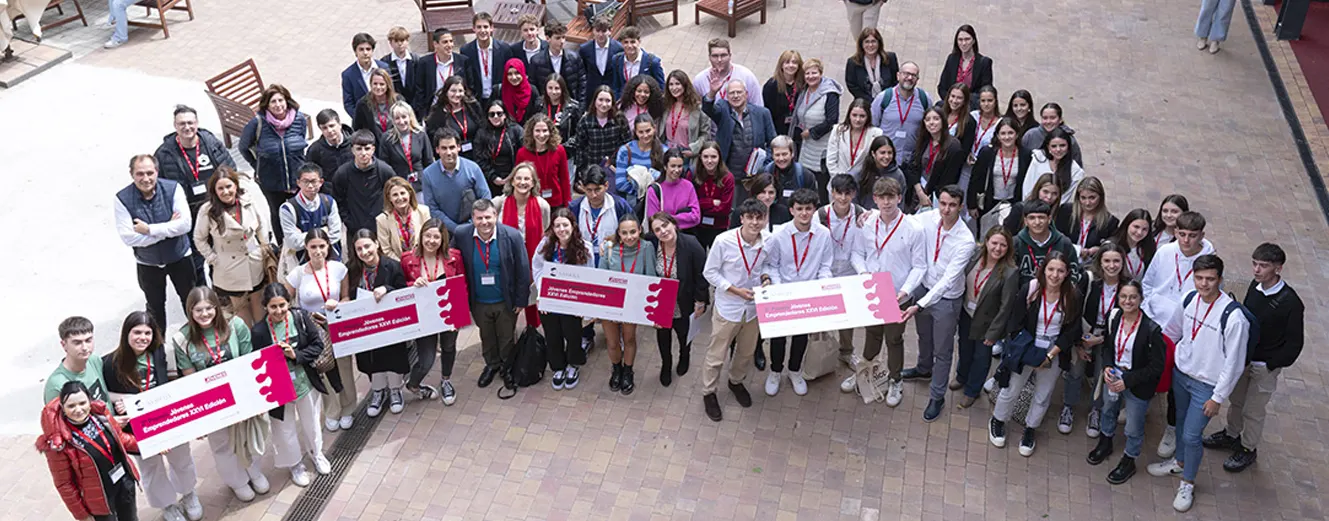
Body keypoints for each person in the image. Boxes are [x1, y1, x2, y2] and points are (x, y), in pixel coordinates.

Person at [1147, 254, 1248, 513]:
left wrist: (1218, 397)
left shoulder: (1234, 317)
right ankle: (1179, 462)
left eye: (1210, 279)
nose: (1204, 284)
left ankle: (1188, 483)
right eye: (1199, 278)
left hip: (1206, 385)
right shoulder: (1189, 299)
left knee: (1192, 435)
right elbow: (1172, 331)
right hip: (1182, 376)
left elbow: (1234, 364)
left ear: (1220, 280)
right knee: (1180, 423)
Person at [1202, 243, 1305, 472]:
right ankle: (1231, 434)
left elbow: (1294, 343)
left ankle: (1248, 448)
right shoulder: (1255, 286)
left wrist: (1271, 364)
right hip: (1245, 359)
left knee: (1254, 410)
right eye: (1255, 263)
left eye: (1263, 266)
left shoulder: (1291, 303)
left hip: (1263, 366)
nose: (1257, 270)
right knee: (1237, 401)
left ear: (1278, 268)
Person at [100, 312, 201, 521]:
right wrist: (123, 400)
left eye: (147, 333)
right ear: (126, 333)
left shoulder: (160, 352)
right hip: (138, 428)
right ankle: (167, 505)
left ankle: (189, 494)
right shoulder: (110, 363)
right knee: (151, 468)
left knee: (182, 459)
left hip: (168, 419)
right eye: (137, 332)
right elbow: (104, 394)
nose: (142, 337)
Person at [171, 286, 269, 501]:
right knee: (222, 444)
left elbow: (248, 360)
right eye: (198, 310)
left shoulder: (235, 325)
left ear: (216, 307)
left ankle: (254, 471)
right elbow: (189, 378)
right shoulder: (181, 339)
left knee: (247, 434)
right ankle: (237, 482)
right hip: (211, 401)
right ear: (190, 311)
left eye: (209, 308)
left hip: (240, 392)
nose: (204, 314)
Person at [988, 251, 1083, 457]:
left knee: (1043, 394)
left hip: (1053, 350)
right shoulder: (1030, 289)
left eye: (1060, 270)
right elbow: (1015, 322)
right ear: (1044, 269)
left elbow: (1072, 331)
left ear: (1067, 273)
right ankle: (998, 419)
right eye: (1051, 269)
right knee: (1012, 388)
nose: (1055, 275)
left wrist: (1049, 356)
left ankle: (1030, 429)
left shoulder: (1072, 296)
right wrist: (1031, 353)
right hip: (1026, 346)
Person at [841, 177, 927, 404]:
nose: (886, 203)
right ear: (875, 199)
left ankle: (895, 380)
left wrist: (906, 291)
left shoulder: (914, 229)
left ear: (899, 198)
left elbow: (920, 266)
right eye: (882, 198)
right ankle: (863, 373)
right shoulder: (866, 224)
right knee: (872, 334)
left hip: (898, 294)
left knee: (894, 339)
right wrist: (863, 274)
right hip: (873, 291)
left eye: (891, 197)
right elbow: (857, 254)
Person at [899, 186, 975, 421]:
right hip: (924, 286)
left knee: (943, 351)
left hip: (946, 298)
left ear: (960, 206)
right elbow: (902, 220)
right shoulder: (928, 218)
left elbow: (948, 280)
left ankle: (937, 395)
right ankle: (923, 369)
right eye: (942, 203)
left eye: (952, 205)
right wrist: (868, 215)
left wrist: (919, 304)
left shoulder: (966, 240)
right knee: (924, 336)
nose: (946, 210)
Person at [249, 284, 332, 487]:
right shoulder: (259, 331)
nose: (279, 311)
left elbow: (317, 345)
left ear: (289, 303)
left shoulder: (301, 318)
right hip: (278, 389)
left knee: (311, 422)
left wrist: (296, 355)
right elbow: (256, 363)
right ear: (265, 307)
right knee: (283, 429)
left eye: (282, 305)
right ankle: (294, 464)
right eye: (273, 307)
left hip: (305, 382)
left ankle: (316, 453)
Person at [1086, 279, 1165, 484]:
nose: (1127, 301)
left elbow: (1156, 367)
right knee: (1108, 410)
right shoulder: (1114, 317)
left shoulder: (1151, 329)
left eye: (1133, 297)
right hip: (1114, 375)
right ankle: (1106, 442)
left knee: (1133, 426)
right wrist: (1106, 366)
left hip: (1136, 383)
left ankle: (1129, 459)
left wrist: (1128, 381)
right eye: (1123, 296)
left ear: (1141, 298)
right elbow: (1107, 347)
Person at [700, 198, 770, 421]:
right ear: (741, 219)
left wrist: (767, 278)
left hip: (753, 310)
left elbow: (768, 265)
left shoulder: (769, 241)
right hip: (728, 308)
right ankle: (709, 392)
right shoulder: (723, 241)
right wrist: (734, 290)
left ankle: (736, 382)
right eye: (750, 217)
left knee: (746, 352)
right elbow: (709, 273)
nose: (754, 223)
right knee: (716, 355)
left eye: (759, 218)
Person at [760, 189, 833, 396]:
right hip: (783, 290)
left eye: (808, 209)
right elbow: (772, 265)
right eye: (799, 209)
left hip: (808, 293)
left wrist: (822, 287)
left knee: (801, 337)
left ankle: (794, 370)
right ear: (791, 210)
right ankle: (775, 371)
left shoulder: (824, 235)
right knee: (778, 337)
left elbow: (825, 266)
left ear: (814, 210)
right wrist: (780, 288)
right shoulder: (779, 234)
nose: (804, 213)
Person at [154, 105, 238, 283]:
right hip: (189, 214)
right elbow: (159, 188)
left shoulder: (211, 143)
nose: (187, 127)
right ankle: (203, 297)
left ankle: (221, 292)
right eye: (182, 123)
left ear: (197, 123)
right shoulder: (165, 153)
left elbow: (231, 171)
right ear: (175, 126)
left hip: (216, 209)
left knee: (221, 254)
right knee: (196, 261)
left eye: (190, 123)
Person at [455, 199, 532, 390]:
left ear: (495, 216)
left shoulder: (512, 236)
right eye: (479, 218)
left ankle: (507, 367)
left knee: (506, 337)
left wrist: (521, 300)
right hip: (479, 300)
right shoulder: (462, 235)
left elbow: (523, 270)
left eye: (488, 217)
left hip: (505, 300)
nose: (484, 222)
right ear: (472, 219)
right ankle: (492, 365)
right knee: (487, 336)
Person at [282, 230, 355, 431]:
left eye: (322, 246)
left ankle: (348, 408)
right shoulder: (297, 274)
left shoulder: (339, 269)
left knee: (345, 368)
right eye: (313, 247)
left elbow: (347, 297)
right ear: (306, 248)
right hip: (314, 331)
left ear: (328, 247)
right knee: (324, 368)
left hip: (337, 326)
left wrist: (339, 303)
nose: (318, 251)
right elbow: (284, 301)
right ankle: (332, 410)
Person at [114, 155, 196, 331]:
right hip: (148, 263)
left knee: (191, 302)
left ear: (157, 172)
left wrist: (150, 230)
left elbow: (185, 225)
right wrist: (168, 229)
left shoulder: (173, 189)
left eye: (150, 173)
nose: (146, 179)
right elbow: (129, 237)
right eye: (140, 174)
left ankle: (200, 342)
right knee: (154, 309)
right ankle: (157, 353)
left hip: (179, 256)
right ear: (132, 174)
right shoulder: (122, 198)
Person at [38, 381, 140, 521]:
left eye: (82, 403)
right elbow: (64, 483)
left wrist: (151, 445)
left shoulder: (101, 416)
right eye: (71, 406)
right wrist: (82, 515)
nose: (78, 409)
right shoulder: (59, 442)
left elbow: (122, 439)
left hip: (124, 484)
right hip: (98, 500)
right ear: (62, 407)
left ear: (90, 401)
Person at [1062, 242, 1129, 437]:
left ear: (1123, 262)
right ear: (1099, 261)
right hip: (1083, 333)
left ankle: (1095, 410)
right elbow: (1074, 310)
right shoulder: (1089, 279)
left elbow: (1127, 320)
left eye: (1116, 261)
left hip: (1109, 339)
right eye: (1106, 260)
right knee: (1075, 371)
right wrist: (1079, 341)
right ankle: (1068, 407)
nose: (1111, 265)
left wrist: (1099, 341)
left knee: (1102, 374)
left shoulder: (1127, 287)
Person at [193, 167, 274, 326]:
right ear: (214, 191)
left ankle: (264, 345)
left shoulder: (247, 201)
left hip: (254, 262)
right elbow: (199, 238)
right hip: (228, 268)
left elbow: (261, 224)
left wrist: (264, 247)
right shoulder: (207, 210)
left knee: (260, 309)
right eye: (220, 188)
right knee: (241, 314)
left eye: (229, 186)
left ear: (235, 186)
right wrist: (213, 259)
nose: (225, 192)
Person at [343, 230, 411, 417]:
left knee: (392, 355)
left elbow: (403, 291)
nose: (364, 252)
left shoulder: (392, 266)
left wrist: (387, 288)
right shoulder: (352, 269)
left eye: (367, 246)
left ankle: (395, 390)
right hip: (365, 325)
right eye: (359, 249)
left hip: (389, 323)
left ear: (377, 244)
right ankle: (378, 391)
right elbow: (347, 294)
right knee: (370, 358)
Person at [400, 219, 464, 403]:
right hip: (424, 317)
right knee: (426, 358)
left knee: (449, 347)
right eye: (427, 236)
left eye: (436, 237)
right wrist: (412, 284)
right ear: (421, 237)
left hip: (449, 314)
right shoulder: (407, 260)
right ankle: (413, 383)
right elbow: (398, 288)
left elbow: (462, 284)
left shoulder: (454, 257)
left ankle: (446, 381)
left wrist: (458, 317)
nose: (431, 240)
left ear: (443, 239)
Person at [954, 226, 1017, 408]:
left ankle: (973, 389)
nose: (997, 248)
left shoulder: (1010, 272)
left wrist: (993, 333)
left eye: (1003, 245)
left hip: (988, 323)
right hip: (967, 314)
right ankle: (961, 376)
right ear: (987, 241)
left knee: (981, 358)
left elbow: (1006, 307)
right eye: (994, 243)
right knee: (964, 348)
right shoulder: (974, 257)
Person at [532, 209, 594, 390]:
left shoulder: (585, 248)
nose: (561, 229)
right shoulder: (545, 245)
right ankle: (558, 367)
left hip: (573, 302)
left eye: (565, 225)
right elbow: (536, 268)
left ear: (573, 226)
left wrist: (584, 303)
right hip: (550, 300)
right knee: (553, 335)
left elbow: (590, 275)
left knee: (573, 334)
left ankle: (573, 365)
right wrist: (542, 294)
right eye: (557, 225)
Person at [239, 84, 308, 243]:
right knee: (278, 214)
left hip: (296, 178)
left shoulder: (299, 119)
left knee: (299, 212)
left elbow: (300, 143)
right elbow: (243, 147)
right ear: (267, 105)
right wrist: (257, 165)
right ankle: (284, 248)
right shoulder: (257, 124)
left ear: (287, 101)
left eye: (280, 100)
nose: (278, 105)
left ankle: (302, 245)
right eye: (273, 102)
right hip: (271, 180)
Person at [597, 214, 657, 395]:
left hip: (633, 303)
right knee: (613, 341)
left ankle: (628, 371)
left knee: (629, 338)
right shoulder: (608, 248)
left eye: (633, 232)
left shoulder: (646, 248)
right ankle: (616, 369)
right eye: (624, 233)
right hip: (611, 303)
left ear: (640, 230)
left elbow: (651, 278)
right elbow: (601, 277)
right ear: (619, 234)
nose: (629, 236)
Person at [648, 213, 708, 386]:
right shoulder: (651, 244)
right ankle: (666, 365)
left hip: (684, 300)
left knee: (683, 335)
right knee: (663, 336)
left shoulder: (691, 244)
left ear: (674, 224)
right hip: (661, 301)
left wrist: (700, 301)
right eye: (657, 229)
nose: (663, 231)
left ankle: (684, 356)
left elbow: (701, 276)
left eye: (665, 225)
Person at [815, 174, 867, 361]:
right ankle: (819, 353)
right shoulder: (820, 215)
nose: (843, 198)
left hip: (849, 270)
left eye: (847, 193)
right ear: (832, 193)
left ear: (853, 194)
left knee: (848, 316)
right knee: (822, 315)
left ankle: (846, 351)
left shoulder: (861, 214)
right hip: (824, 272)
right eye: (839, 193)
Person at [494, 163, 552, 327]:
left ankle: (533, 337)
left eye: (527, 178)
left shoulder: (542, 205)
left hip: (533, 258)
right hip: (507, 259)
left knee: (532, 299)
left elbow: (545, 230)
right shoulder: (500, 203)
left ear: (533, 183)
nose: (522, 182)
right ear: (511, 181)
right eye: (518, 178)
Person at [1141, 211, 1215, 328]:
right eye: (1182, 234)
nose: (1186, 240)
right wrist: (1147, 307)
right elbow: (1147, 283)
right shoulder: (1164, 251)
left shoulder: (1210, 262)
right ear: (1175, 233)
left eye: (1192, 235)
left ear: (1201, 235)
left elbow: (1211, 295)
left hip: (1184, 324)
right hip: (1152, 317)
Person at [420, 128, 492, 234]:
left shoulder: (473, 168)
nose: (449, 152)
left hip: (475, 228)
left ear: (458, 147)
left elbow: (485, 197)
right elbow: (432, 209)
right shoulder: (428, 174)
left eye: (452, 147)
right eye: (444, 148)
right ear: (437, 150)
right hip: (444, 232)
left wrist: (472, 224)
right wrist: (456, 229)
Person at [704, 80, 778, 178]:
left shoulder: (762, 113)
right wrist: (712, 93)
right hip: (728, 175)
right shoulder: (723, 110)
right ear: (727, 96)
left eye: (739, 92)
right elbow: (707, 109)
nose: (735, 96)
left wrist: (763, 163)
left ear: (746, 94)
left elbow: (773, 143)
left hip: (755, 175)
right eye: (732, 93)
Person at [792, 58, 842, 203]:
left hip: (822, 147)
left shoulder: (830, 94)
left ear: (821, 73)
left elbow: (832, 120)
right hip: (806, 146)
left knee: (821, 186)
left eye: (814, 73)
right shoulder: (804, 91)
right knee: (806, 182)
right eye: (807, 73)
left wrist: (812, 132)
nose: (810, 76)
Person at [331, 130, 396, 238]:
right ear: (352, 150)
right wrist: (349, 221)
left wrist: (387, 217)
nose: (363, 153)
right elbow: (338, 200)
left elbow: (394, 195)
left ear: (373, 149)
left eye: (367, 148)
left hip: (382, 228)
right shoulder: (342, 173)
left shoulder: (385, 170)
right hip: (355, 230)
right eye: (359, 149)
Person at [870, 62, 930, 167]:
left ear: (917, 79)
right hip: (885, 159)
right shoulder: (884, 97)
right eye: (906, 74)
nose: (909, 77)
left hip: (911, 160)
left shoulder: (924, 99)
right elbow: (872, 127)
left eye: (914, 75)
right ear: (898, 76)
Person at [279, 165, 344, 263]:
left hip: (330, 259)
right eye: (305, 182)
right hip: (302, 262)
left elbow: (336, 234)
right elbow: (293, 242)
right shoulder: (288, 208)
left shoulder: (329, 202)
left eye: (313, 181)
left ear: (321, 182)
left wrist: (304, 236)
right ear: (298, 183)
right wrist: (324, 231)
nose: (310, 186)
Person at [969, 118, 1031, 217]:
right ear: (997, 136)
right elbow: (975, 179)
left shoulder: (1025, 154)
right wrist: (972, 205)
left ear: (1017, 134)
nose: (1007, 137)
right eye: (1003, 133)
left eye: (1010, 133)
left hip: (1014, 204)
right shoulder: (987, 153)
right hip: (989, 202)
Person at [1010, 198, 1080, 286]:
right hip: (1023, 294)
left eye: (1041, 217)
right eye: (1032, 218)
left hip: (1056, 293)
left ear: (1049, 219)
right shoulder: (1016, 243)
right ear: (1025, 221)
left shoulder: (1064, 243)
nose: (1037, 222)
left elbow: (1074, 272)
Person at [905, 107, 964, 210]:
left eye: (936, 119)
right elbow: (912, 167)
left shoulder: (954, 146)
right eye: (928, 120)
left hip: (937, 198)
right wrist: (920, 192)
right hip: (917, 192)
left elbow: (949, 178)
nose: (931, 123)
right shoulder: (923, 140)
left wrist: (927, 196)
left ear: (943, 121)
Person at [410, 28, 475, 119]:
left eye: (451, 41)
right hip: (434, 110)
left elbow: (470, 87)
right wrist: (423, 114)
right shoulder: (424, 63)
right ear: (435, 44)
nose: (449, 45)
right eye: (445, 42)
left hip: (458, 109)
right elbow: (420, 90)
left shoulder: (463, 61)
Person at [45, 317, 109, 404]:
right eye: (77, 343)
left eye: (88, 340)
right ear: (64, 345)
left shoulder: (94, 360)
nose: (85, 348)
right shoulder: (56, 384)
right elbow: (55, 416)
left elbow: (104, 396)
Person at [569, 86, 632, 173]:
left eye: (608, 101)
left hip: (614, 168)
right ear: (595, 101)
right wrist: (582, 170)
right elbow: (580, 147)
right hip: (591, 169)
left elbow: (627, 143)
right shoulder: (585, 121)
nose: (604, 104)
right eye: (600, 100)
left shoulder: (619, 119)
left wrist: (617, 163)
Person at [1057, 176, 1119, 263]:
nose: (1087, 203)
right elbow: (1057, 237)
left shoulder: (1110, 221)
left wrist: (1099, 249)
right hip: (1064, 259)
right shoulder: (1066, 211)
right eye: (1083, 198)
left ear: (1101, 197)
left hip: (1091, 264)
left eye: (1092, 198)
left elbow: (1112, 245)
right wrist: (1078, 250)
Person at [516, 114, 573, 208]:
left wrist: (567, 205)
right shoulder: (522, 153)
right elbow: (519, 181)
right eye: (537, 131)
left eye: (545, 131)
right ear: (531, 132)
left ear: (550, 132)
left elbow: (564, 179)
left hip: (556, 202)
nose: (541, 135)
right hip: (532, 204)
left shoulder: (559, 150)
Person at [460, 12, 516, 105]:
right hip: (477, 99)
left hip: (499, 98)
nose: (482, 31)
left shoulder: (504, 49)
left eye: (485, 27)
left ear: (491, 28)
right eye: (479, 27)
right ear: (473, 28)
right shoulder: (466, 50)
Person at [692, 38, 765, 108]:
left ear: (730, 56)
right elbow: (696, 108)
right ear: (709, 57)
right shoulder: (700, 80)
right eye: (715, 56)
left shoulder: (747, 76)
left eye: (723, 55)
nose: (719, 60)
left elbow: (757, 106)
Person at [378, 101, 434, 192]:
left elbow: (429, 161)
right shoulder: (387, 138)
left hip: (421, 185)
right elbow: (385, 166)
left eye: (404, 117)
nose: (401, 121)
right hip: (399, 186)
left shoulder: (420, 135)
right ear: (393, 120)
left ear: (410, 117)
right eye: (397, 118)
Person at [424, 76, 483, 159]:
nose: (457, 94)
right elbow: (433, 139)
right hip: (451, 157)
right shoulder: (437, 114)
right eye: (453, 91)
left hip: (475, 154)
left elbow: (482, 128)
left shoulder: (473, 107)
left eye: (460, 91)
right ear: (446, 92)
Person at [473, 100, 525, 195]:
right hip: (490, 179)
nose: (496, 117)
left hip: (514, 175)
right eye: (492, 114)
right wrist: (492, 176)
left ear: (505, 115)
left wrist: (513, 174)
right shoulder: (481, 133)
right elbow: (479, 158)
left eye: (499, 114)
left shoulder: (516, 130)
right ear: (488, 117)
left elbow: (524, 154)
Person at [1022, 128, 1085, 205]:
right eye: (1054, 146)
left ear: (1068, 147)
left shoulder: (1075, 170)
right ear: (1048, 147)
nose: (1058, 149)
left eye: (1062, 145)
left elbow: (1065, 198)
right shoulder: (1039, 158)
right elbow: (1028, 187)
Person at [528, 21, 585, 104]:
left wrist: (581, 106)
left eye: (563, 37)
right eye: (558, 38)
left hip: (570, 104)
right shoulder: (536, 61)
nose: (562, 41)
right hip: (547, 105)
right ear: (548, 38)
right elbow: (533, 86)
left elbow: (582, 82)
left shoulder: (574, 58)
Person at [692, 141, 736, 248]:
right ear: (700, 158)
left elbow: (725, 209)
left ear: (719, 158)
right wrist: (711, 202)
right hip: (698, 226)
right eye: (705, 157)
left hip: (719, 226)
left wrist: (701, 204)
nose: (709, 161)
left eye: (713, 157)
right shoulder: (693, 174)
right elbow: (691, 205)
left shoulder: (728, 178)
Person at [375, 177, 431, 261]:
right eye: (395, 195)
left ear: (409, 193)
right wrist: (404, 265)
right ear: (389, 198)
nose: (400, 198)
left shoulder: (423, 211)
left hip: (424, 261)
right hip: (398, 266)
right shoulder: (382, 220)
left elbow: (429, 239)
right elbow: (386, 250)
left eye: (402, 193)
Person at [825, 99, 882, 181]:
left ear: (868, 117)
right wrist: (840, 181)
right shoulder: (838, 130)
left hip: (863, 184)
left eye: (862, 116)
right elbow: (831, 160)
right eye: (854, 115)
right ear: (849, 115)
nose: (857, 119)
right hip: (839, 183)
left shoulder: (876, 133)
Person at [645, 149, 701, 231]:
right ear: (665, 166)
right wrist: (683, 217)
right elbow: (654, 219)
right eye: (673, 166)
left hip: (685, 235)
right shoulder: (654, 190)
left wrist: (668, 218)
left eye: (679, 166)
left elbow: (696, 217)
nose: (677, 170)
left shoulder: (688, 186)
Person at [615, 114, 668, 201]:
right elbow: (620, 183)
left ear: (654, 128)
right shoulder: (625, 151)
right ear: (635, 132)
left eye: (648, 131)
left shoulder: (664, 151)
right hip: (632, 202)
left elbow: (666, 182)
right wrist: (641, 193)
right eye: (641, 132)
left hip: (656, 200)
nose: (645, 135)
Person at [936, 25, 994, 104]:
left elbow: (985, 92)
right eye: (960, 40)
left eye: (967, 39)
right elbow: (942, 87)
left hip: (971, 106)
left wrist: (962, 101)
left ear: (973, 40)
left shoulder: (984, 62)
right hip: (951, 104)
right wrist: (952, 101)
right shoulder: (952, 59)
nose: (963, 43)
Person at [608, 26, 666, 101]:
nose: (629, 46)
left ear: (639, 42)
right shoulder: (616, 60)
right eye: (626, 42)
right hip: (625, 105)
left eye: (633, 42)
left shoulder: (652, 62)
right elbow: (616, 85)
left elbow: (661, 87)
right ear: (621, 43)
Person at [854, 136, 910, 212]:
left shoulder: (898, 175)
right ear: (873, 153)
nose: (886, 156)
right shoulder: (861, 173)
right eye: (882, 153)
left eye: (889, 153)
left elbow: (900, 203)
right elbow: (854, 201)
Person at [759, 136, 818, 208]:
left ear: (792, 153)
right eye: (777, 155)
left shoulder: (806, 176)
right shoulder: (763, 173)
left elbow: (813, 203)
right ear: (772, 156)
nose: (781, 158)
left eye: (784, 154)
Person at [577, 16, 625, 104]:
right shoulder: (584, 49)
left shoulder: (619, 49)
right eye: (597, 31)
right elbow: (583, 72)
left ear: (610, 31)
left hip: (611, 93)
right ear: (593, 31)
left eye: (604, 31)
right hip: (592, 93)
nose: (600, 34)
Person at [1019, 102, 1084, 167]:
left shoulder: (1070, 140)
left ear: (1060, 119)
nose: (1048, 121)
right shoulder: (1030, 135)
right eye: (1045, 118)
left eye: (1052, 118)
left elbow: (1077, 165)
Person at [305, 110, 355, 191]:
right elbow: (311, 175)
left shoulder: (355, 143)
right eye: (324, 128)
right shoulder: (315, 150)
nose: (329, 131)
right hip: (330, 195)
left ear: (339, 124)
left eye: (332, 126)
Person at [341, 33, 389, 117]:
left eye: (368, 49)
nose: (365, 53)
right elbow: (348, 103)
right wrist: (360, 119)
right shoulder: (348, 75)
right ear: (355, 51)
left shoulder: (384, 67)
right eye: (361, 49)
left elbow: (392, 92)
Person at [844, 28, 898, 103]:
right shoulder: (853, 63)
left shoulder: (890, 58)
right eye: (867, 42)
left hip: (888, 102)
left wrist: (886, 99)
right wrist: (871, 101)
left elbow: (896, 81)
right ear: (861, 44)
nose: (870, 45)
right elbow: (852, 85)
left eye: (873, 41)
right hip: (864, 104)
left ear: (879, 43)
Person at [352, 68, 405, 143]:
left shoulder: (398, 100)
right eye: (375, 84)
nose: (378, 87)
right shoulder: (363, 104)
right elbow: (357, 129)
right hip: (374, 148)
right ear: (370, 84)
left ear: (388, 85)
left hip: (396, 145)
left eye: (382, 84)